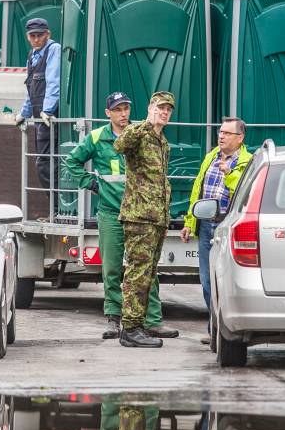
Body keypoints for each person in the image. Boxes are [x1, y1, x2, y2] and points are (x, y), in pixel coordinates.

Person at [61, 91, 178, 340]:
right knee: (113, 268)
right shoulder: (98, 137)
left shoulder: (145, 136)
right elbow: (71, 162)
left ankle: (152, 319)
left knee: (145, 268)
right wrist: (92, 184)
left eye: (126, 108)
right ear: (108, 113)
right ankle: (114, 318)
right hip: (112, 210)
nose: (123, 113)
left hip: (141, 213)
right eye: (118, 109)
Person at [114, 91, 176, 348]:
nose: (164, 112)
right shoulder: (140, 133)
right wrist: (145, 123)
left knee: (148, 274)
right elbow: (120, 145)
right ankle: (129, 328)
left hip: (156, 218)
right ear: (150, 108)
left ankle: (140, 323)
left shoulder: (162, 142)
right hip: (139, 216)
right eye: (160, 107)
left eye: (167, 110)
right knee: (137, 273)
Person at [181, 117, 250, 342]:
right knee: (206, 280)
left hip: (227, 227)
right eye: (220, 132)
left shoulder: (247, 162)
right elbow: (197, 191)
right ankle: (215, 327)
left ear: (240, 138)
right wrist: (189, 222)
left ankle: (225, 330)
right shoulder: (211, 156)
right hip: (206, 224)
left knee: (226, 279)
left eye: (227, 133)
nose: (221, 136)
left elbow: (243, 193)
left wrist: (228, 172)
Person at [16, 18, 61, 197]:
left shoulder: (53, 49)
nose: (36, 39)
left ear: (48, 34)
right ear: (28, 37)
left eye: (40, 35)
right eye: (32, 36)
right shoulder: (32, 55)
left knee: (48, 163)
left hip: (48, 117)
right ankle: (55, 209)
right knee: (43, 164)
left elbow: (53, 82)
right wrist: (23, 113)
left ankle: (57, 208)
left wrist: (48, 110)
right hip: (38, 117)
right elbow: (31, 88)